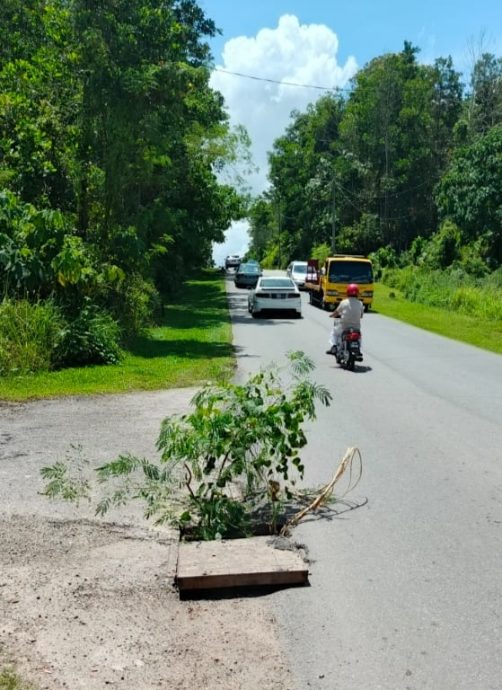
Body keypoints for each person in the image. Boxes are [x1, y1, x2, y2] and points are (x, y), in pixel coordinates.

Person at [326, 283, 364, 355]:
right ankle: (358, 350)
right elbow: (361, 316)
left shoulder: (344, 302)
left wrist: (332, 315)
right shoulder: (360, 303)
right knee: (359, 337)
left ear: (347, 292)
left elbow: (336, 312)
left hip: (344, 327)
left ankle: (334, 346)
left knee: (334, 333)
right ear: (357, 293)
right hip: (356, 327)